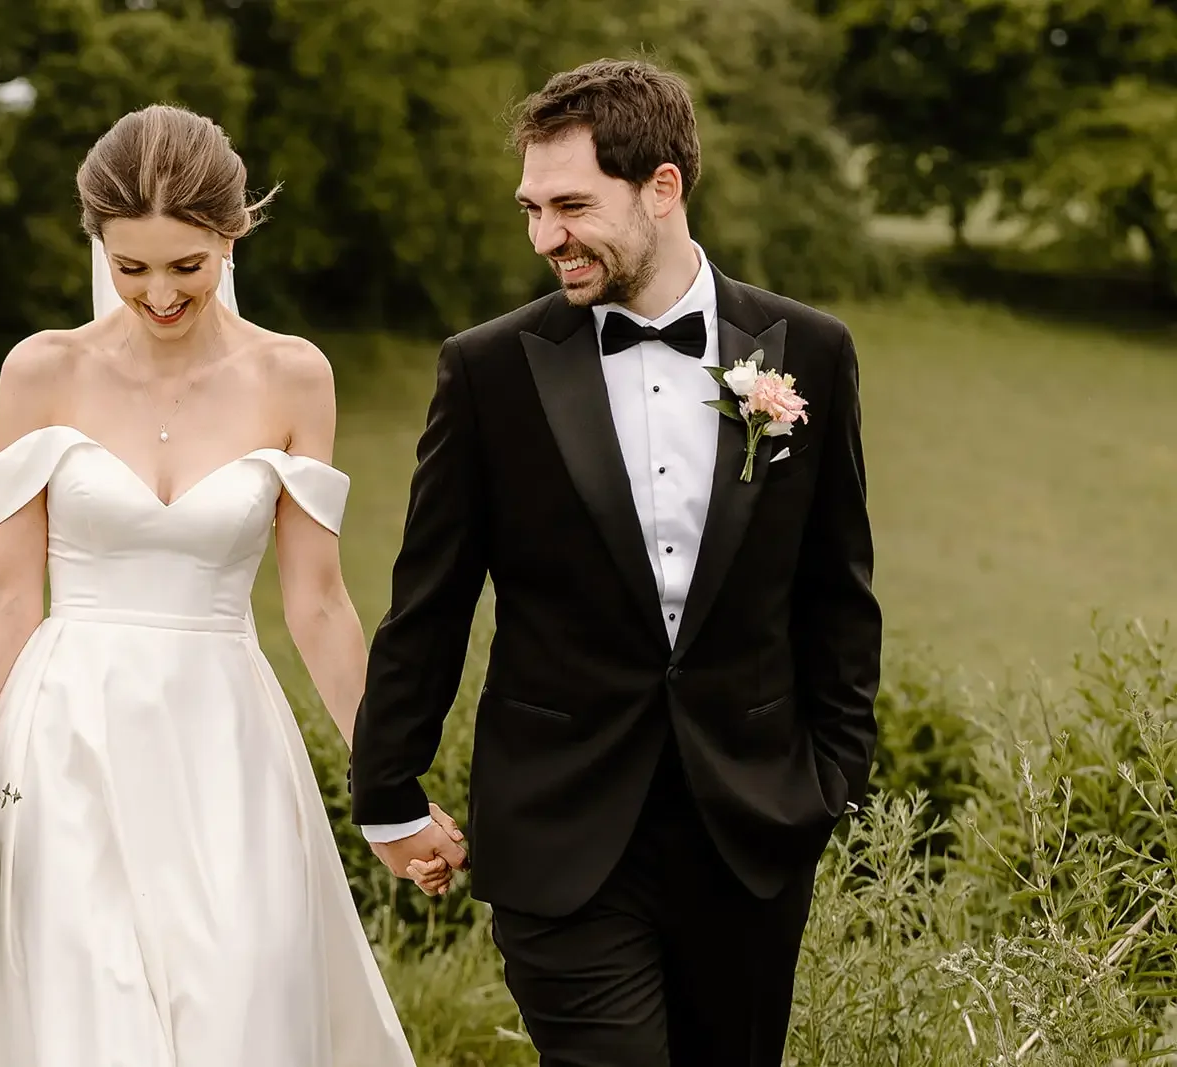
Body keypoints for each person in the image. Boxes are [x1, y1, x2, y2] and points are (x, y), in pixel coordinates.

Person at [349, 59, 882, 1065]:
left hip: (751, 828)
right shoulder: (489, 369)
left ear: (663, 187)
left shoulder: (807, 350)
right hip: (560, 830)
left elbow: (836, 590)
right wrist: (386, 787)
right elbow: (429, 599)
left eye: (571, 205)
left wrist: (830, 784)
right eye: (531, 208)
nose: (546, 235)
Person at [0, 103, 461, 1067]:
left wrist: (391, 792)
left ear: (232, 237)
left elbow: (318, 602)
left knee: (242, 1008)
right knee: (90, 1025)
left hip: (226, 745)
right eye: (132, 267)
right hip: (65, 744)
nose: (159, 293)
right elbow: (7, 594)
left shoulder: (294, 377)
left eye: (187, 265)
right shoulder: (39, 371)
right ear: (98, 245)